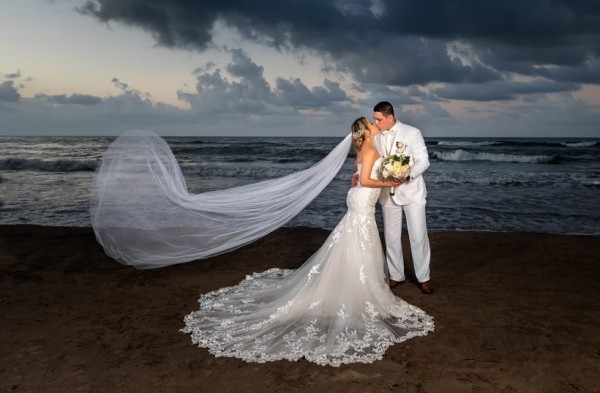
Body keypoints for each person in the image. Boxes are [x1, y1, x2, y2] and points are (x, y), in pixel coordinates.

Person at [181, 117, 434, 367]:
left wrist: (364, 177)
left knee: (355, 239)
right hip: (363, 199)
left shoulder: (364, 147)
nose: (374, 124)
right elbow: (367, 179)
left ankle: (359, 283)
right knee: (361, 240)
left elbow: (360, 174)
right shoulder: (369, 148)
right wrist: (388, 180)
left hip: (359, 199)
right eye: (371, 123)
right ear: (366, 131)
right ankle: (361, 289)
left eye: (375, 120)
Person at [372, 101, 433, 294]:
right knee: (391, 237)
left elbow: (423, 161)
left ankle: (424, 277)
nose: (376, 123)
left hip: (412, 192)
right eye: (374, 119)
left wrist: (407, 175)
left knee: (418, 236)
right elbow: (371, 161)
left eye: (379, 119)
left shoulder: (412, 133)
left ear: (390, 117)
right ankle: (396, 275)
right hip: (387, 195)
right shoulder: (375, 136)